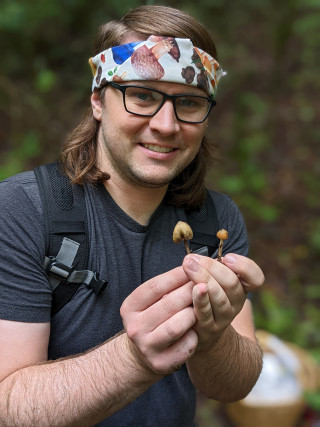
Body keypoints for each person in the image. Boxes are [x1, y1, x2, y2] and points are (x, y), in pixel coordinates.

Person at [0, 5, 265, 426]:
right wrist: (133, 358)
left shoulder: (215, 221)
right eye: (142, 95)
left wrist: (215, 338)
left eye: (190, 102)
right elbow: (7, 406)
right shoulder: (22, 210)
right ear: (98, 100)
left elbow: (233, 386)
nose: (166, 124)